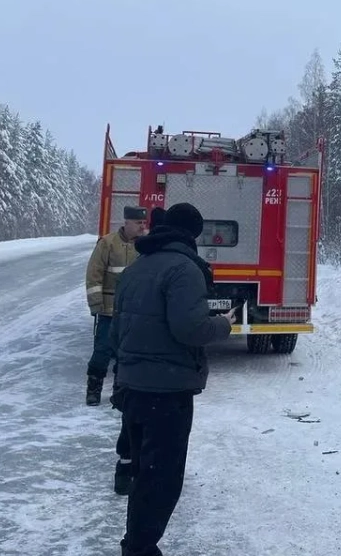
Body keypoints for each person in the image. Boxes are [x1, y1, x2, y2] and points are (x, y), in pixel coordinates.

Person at [110, 202, 236, 556]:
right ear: (193, 234)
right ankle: (139, 548)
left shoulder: (138, 267)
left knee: (143, 473)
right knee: (161, 480)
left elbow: (116, 330)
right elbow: (190, 329)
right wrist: (223, 324)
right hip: (166, 393)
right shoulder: (185, 269)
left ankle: (134, 542)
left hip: (134, 388)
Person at [110, 206, 171, 496]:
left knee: (131, 421)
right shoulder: (164, 262)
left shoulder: (138, 262)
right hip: (153, 366)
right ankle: (144, 477)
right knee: (154, 427)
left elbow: (119, 320)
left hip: (131, 359)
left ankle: (124, 471)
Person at [84, 205, 148, 406]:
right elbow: (94, 274)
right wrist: (96, 305)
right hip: (108, 311)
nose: (142, 226)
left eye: (143, 223)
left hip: (134, 312)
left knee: (126, 354)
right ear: (126, 222)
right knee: (102, 352)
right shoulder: (107, 243)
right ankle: (93, 389)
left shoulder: (146, 245)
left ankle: (119, 392)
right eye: (138, 223)